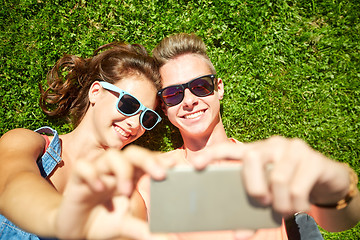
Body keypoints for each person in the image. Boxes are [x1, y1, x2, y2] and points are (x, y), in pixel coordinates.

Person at [136, 33, 360, 240]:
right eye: (173, 94)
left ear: (219, 88)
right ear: (164, 108)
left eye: (200, 86)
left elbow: (343, 221)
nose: (189, 101)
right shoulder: (152, 177)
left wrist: (334, 182)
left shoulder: (267, 163)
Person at [0, 42, 173, 240]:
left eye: (147, 117)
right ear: (96, 92)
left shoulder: (128, 200)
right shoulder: (25, 142)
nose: (135, 123)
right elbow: (11, 187)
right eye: (129, 104)